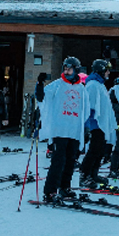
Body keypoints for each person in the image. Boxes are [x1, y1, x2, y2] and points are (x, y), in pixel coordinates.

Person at [40, 57, 89, 204]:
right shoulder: (58, 84)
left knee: (70, 160)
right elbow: (43, 96)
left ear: (76, 70)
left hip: (73, 130)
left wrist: (83, 128)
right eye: (65, 69)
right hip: (60, 129)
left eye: (69, 69)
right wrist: (39, 84)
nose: (66, 71)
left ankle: (64, 186)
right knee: (58, 160)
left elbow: (85, 109)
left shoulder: (81, 88)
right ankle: (50, 190)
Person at [79, 59, 114, 188]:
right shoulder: (93, 84)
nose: (108, 72)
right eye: (107, 70)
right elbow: (89, 106)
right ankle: (84, 175)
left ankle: (93, 174)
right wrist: (88, 125)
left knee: (100, 151)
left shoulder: (100, 84)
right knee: (94, 150)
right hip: (95, 123)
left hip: (101, 124)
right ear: (101, 70)